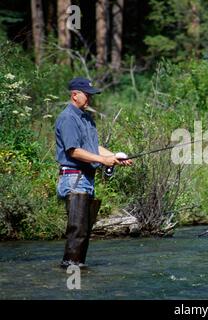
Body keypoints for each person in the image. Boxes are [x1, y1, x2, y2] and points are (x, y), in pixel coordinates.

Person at [55, 77, 132, 268]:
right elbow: (74, 151)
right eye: (87, 95)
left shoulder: (87, 119)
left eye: (91, 95)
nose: (90, 99)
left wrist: (114, 156)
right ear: (74, 95)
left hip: (86, 179)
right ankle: (71, 269)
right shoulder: (67, 118)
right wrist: (104, 161)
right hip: (74, 178)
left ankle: (76, 267)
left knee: (84, 231)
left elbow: (93, 148)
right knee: (78, 231)